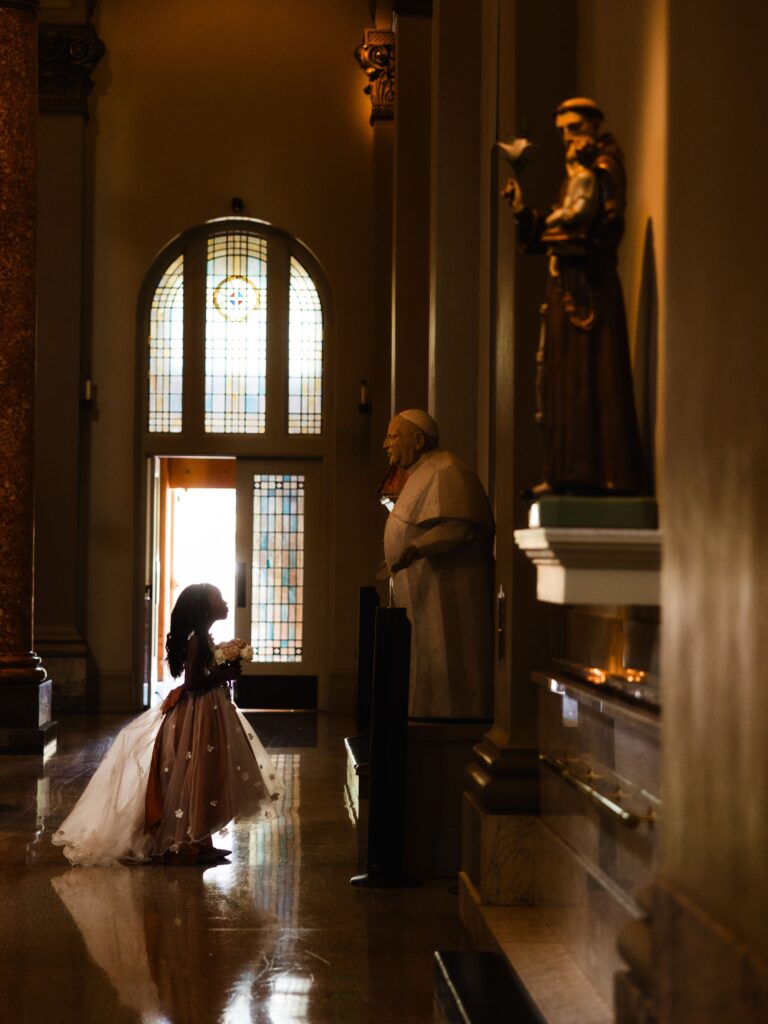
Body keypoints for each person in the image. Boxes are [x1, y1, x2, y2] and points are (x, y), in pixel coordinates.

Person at [52, 583, 281, 866]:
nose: (224, 602)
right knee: (196, 773)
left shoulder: (203, 637)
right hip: (199, 713)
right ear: (204, 608)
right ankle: (187, 843)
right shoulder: (196, 639)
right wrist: (225, 674)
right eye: (218, 598)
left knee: (205, 773)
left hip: (209, 710)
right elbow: (193, 682)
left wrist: (223, 667)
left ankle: (200, 840)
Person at [502, 97, 648, 496]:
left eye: (575, 128)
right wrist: (523, 211)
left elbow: (608, 226)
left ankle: (598, 473)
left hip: (589, 288)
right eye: (563, 131)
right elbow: (551, 227)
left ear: (595, 128)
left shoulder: (603, 169)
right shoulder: (576, 174)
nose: (568, 137)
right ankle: (565, 472)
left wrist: (574, 242)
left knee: (590, 377)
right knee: (560, 380)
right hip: (565, 285)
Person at [382, 410, 494, 720]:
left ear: (418, 441)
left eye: (392, 436)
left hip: (446, 593)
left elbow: (460, 528)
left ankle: (448, 715)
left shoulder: (448, 470)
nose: (385, 444)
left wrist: (415, 547)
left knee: (448, 654)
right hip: (423, 591)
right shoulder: (420, 473)